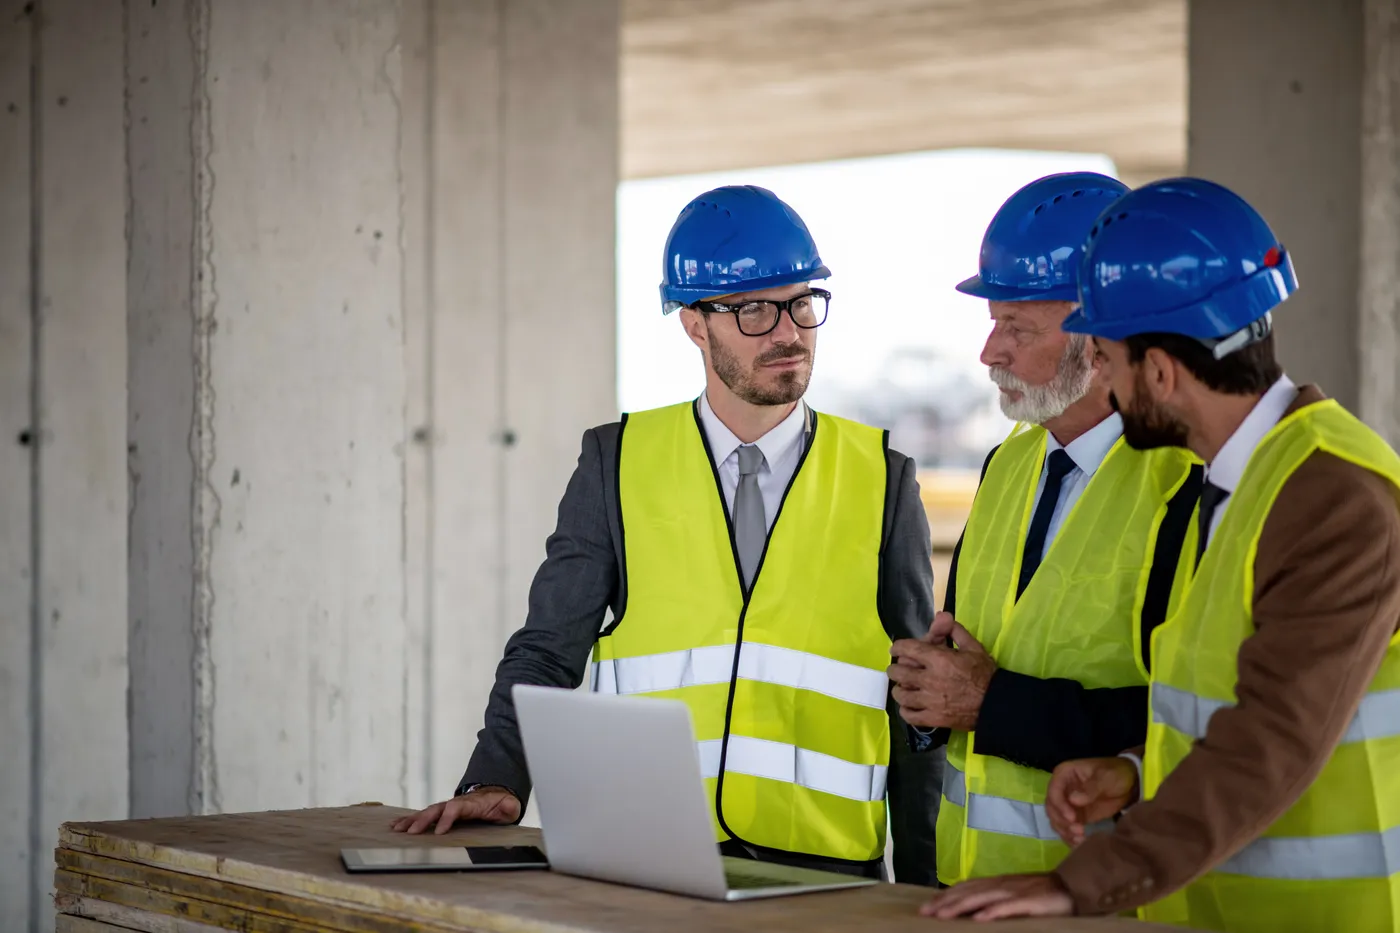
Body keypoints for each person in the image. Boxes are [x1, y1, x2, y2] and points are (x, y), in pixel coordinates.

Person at [392, 184, 944, 883]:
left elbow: (918, 697)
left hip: (826, 871)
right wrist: (495, 777)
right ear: (693, 323)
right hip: (645, 858)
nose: (788, 331)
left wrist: (926, 885)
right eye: (753, 309)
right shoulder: (616, 462)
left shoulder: (881, 477)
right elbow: (547, 648)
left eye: (802, 302)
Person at [922, 177, 1400, 931]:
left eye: (1107, 357)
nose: (1101, 378)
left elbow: (1274, 737)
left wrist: (1079, 883)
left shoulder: (1334, 497)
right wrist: (1138, 770)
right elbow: (1216, 704)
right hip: (1208, 909)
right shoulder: (1242, 481)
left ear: (1163, 371)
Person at [885, 171, 1201, 886]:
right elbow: (972, 663)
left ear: (1099, 336)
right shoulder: (1008, 465)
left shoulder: (1185, 482)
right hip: (974, 887)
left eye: (1016, 328)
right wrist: (931, 694)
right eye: (994, 323)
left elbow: (1200, 718)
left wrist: (992, 703)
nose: (989, 352)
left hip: (1110, 896)